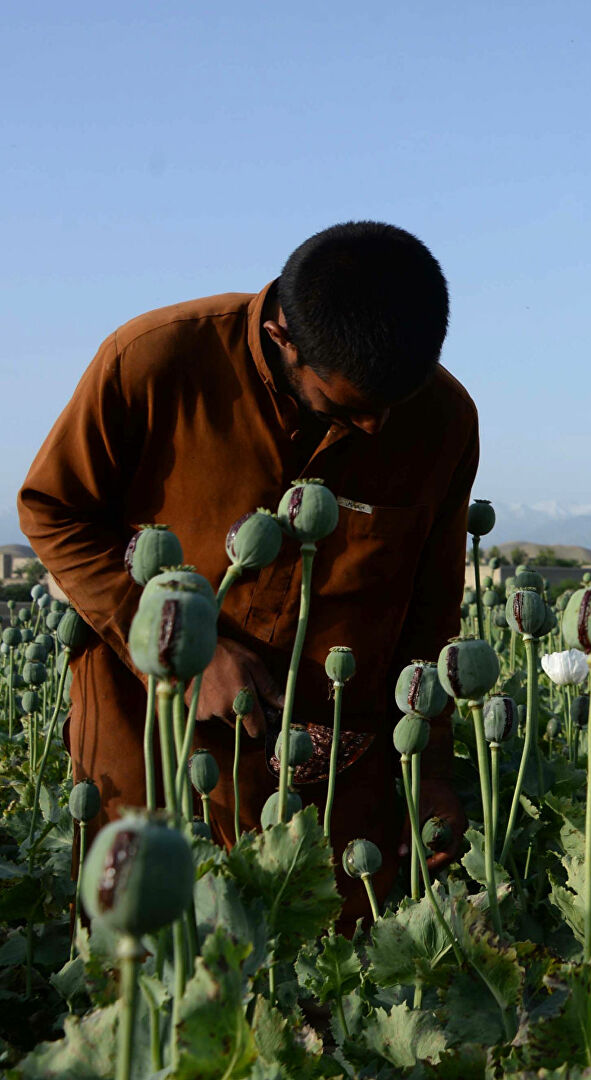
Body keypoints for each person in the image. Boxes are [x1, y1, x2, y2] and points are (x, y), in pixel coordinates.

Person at [18, 222, 476, 919]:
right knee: (152, 961)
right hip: (151, 730)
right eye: (352, 412)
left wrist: (431, 768)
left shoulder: (443, 417)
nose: (380, 430)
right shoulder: (153, 362)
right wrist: (182, 655)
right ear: (285, 337)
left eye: (394, 406)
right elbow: (53, 510)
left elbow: (432, 607)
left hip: (336, 764)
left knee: (324, 977)